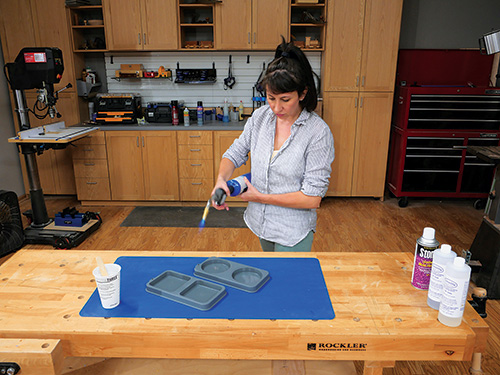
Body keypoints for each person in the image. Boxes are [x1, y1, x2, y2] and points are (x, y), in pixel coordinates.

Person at [211, 39, 334, 252]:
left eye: (285, 99)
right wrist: (221, 180)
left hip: (292, 231)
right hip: (261, 224)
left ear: (303, 93)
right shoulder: (260, 118)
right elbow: (235, 152)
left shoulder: (317, 133)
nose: (277, 107)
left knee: (286, 283)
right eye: (271, 98)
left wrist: (260, 197)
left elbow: (312, 199)